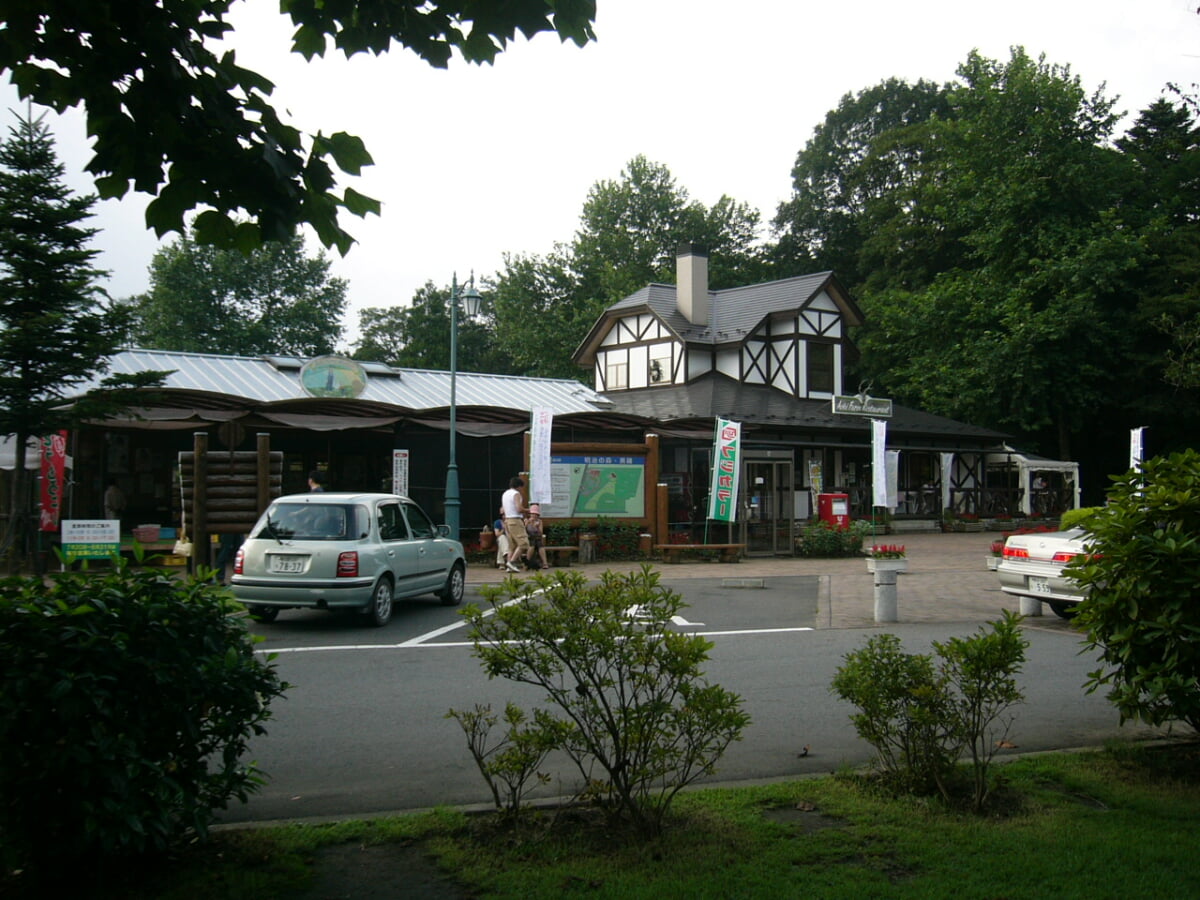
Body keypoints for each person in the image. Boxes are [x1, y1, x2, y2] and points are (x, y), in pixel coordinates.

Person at [501, 476, 529, 573]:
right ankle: (512, 562)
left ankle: (509, 566)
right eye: (522, 487)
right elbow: (519, 509)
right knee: (523, 543)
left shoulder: (505, 494)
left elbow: (504, 509)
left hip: (507, 520)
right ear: (519, 486)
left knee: (512, 545)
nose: (522, 490)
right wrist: (529, 510)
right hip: (515, 520)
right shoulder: (516, 494)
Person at [524, 503, 549, 570]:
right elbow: (524, 531)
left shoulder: (539, 521)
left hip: (537, 538)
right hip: (528, 538)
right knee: (532, 544)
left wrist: (537, 527)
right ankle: (527, 563)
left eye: (536, 514)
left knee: (539, 544)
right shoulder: (526, 520)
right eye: (532, 514)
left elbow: (541, 533)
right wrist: (527, 524)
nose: (534, 516)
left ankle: (545, 563)